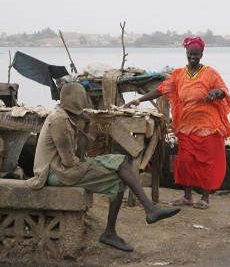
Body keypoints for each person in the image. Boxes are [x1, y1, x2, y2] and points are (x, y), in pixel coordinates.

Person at [25, 83, 180, 252]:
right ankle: (115, 230)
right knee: (118, 179)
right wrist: (90, 163)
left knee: (120, 161)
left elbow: (79, 154)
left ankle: (148, 211)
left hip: (64, 167)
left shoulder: (66, 117)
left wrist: (85, 126)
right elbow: (71, 161)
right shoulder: (59, 121)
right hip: (54, 173)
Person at [124, 37, 230, 210]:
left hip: (208, 126)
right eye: (190, 54)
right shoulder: (178, 75)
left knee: (208, 162)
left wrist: (215, 92)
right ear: (186, 54)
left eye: (196, 55)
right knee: (185, 162)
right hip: (186, 126)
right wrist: (138, 101)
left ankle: (205, 197)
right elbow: (159, 90)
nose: (193, 57)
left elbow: (223, 91)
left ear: (201, 55)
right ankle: (187, 196)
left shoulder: (210, 73)